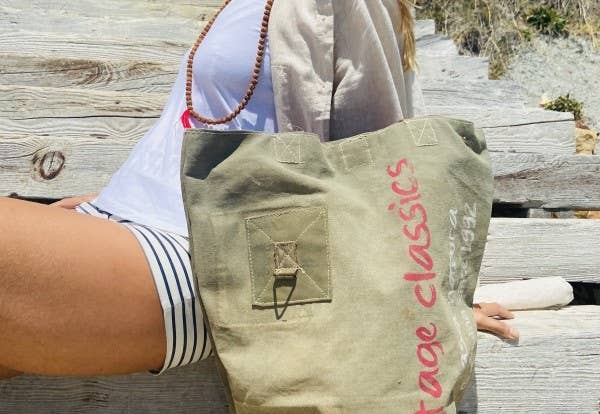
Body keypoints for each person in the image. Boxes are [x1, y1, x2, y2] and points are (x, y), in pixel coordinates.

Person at [0, 0, 517, 381]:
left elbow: (382, 157)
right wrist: (107, 202)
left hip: (197, 257)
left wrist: (430, 297)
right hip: (121, 228)